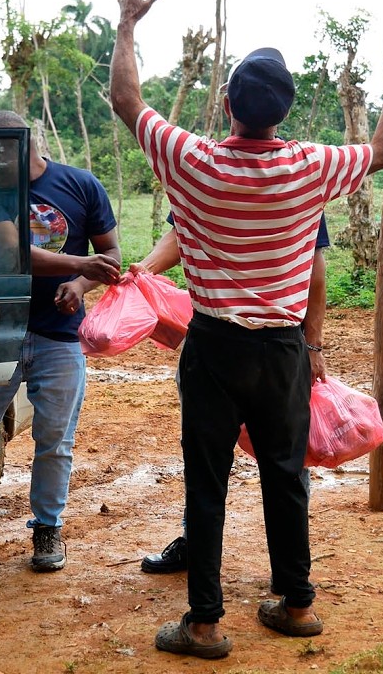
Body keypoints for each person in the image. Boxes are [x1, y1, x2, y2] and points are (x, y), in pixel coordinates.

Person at [111, 0, 383, 659]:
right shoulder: (311, 167)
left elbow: (127, 99)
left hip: (213, 342)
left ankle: (205, 624)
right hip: (284, 350)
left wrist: (127, 25)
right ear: (285, 113)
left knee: (207, 481)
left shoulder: (192, 159)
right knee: (285, 473)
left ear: (227, 104)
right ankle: (296, 604)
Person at [0, 110, 121, 573]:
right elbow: (10, 252)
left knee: (55, 438)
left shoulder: (81, 185)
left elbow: (111, 255)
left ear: (26, 145)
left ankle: (47, 529)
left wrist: (81, 286)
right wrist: (78, 267)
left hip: (59, 334)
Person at [137, 214, 332, 575]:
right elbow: (181, 232)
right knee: (264, 465)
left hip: (262, 343)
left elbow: (314, 267)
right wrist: (145, 269)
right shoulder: (206, 173)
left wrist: (314, 345)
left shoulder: (297, 176)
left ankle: (275, 580)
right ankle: (287, 584)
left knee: (266, 467)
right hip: (233, 343)